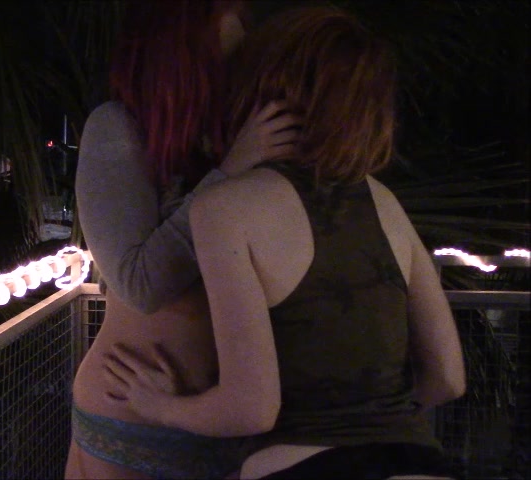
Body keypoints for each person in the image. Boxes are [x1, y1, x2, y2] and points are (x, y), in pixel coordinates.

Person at [103, 6, 466, 480]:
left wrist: (160, 407)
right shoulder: (384, 201)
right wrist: (370, 421)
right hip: (418, 460)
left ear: (266, 84)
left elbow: (251, 408)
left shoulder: (224, 208)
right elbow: (448, 378)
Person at [66, 1, 300, 478]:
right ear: (177, 61)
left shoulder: (230, 139)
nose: (233, 79)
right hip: (131, 414)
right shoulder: (117, 128)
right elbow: (139, 284)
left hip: (226, 422)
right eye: (220, 63)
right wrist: (232, 170)